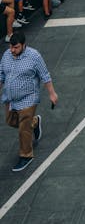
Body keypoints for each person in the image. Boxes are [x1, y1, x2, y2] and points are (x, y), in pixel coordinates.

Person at [1, 30, 58, 172]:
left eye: (16, 47)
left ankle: (26, 155)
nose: (12, 50)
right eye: (11, 47)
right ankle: (35, 122)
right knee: (10, 121)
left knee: (23, 129)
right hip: (10, 99)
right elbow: (1, 75)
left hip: (28, 98)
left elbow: (45, 75)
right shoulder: (6, 55)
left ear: (24, 45)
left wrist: (52, 93)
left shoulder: (34, 56)